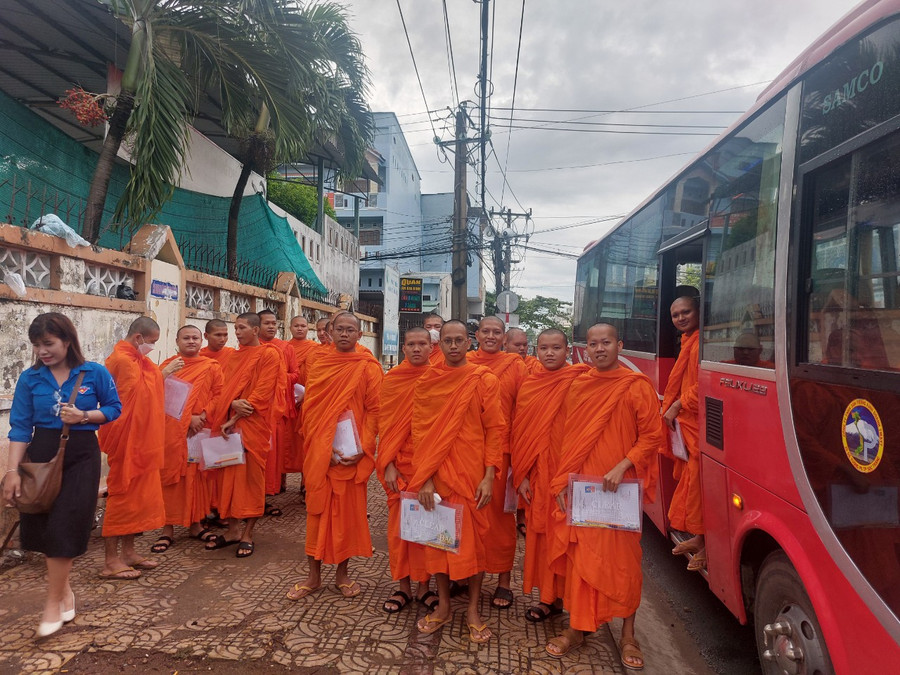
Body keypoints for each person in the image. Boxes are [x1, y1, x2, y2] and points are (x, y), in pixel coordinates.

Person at [546, 323, 661, 669]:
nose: (599, 349)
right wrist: (563, 481)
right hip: (585, 489)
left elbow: (652, 435)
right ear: (586, 348)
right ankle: (577, 628)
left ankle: (628, 634)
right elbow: (570, 439)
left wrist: (624, 464)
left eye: (606, 342)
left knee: (624, 564)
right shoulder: (579, 386)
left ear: (619, 345)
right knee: (581, 560)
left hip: (619, 490)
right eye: (593, 344)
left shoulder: (636, 386)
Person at [2, 313, 121, 637]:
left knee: (66, 523)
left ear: (67, 341)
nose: (43, 351)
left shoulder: (93, 372)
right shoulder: (30, 378)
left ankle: (53, 603)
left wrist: (85, 415)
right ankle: (65, 590)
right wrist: (12, 471)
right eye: (37, 345)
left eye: (49, 343)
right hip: (41, 452)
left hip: (81, 452)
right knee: (42, 528)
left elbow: (113, 408)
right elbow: (21, 427)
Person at [407, 320, 503, 643]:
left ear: (469, 342)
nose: (452, 346)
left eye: (459, 340)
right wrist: (426, 479)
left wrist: (490, 476)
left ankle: (473, 609)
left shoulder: (483, 380)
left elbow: (495, 430)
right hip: (439, 478)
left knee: (474, 547)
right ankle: (444, 605)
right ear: (440, 344)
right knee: (439, 543)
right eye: (447, 340)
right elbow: (420, 433)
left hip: (473, 477)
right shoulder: (427, 382)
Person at [287, 312, 382, 600]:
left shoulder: (368, 367)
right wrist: (321, 446)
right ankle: (313, 576)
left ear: (359, 335)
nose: (344, 334)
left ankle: (343, 575)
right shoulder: (320, 362)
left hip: (352, 453)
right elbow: (312, 408)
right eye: (339, 329)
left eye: (350, 330)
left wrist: (363, 449)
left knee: (347, 519)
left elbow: (375, 411)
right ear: (330, 331)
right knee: (316, 514)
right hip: (322, 452)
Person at [512, 329, 588, 623]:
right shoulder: (531, 384)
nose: (550, 353)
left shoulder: (580, 381)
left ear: (567, 350)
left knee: (568, 539)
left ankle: (571, 601)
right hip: (539, 473)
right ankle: (547, 599)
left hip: (569, 474)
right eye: (544, 348)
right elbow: (521, 434)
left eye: (556, 348)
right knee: (542, 537)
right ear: (536, 349)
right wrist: (522, 476)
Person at [204, 313, 282, 558]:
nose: (236, 332)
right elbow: (224, 390)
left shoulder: (269, 354)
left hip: (252, 427)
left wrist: (234, 416)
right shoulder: (233, 357)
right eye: (235, 328)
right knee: (228, 478)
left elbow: (260, 394)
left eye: (241, 328)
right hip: (228, 424)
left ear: (256, 330)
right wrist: (230, 410)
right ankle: (232, 530)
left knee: (250, 481)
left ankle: (248, 533)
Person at [99, 316, 168, 580]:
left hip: (143, 443)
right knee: (120, 499)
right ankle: (110, 561)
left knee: (137, 501)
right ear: (138, 338)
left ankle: (128, 552)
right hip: (126, 442)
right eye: (151, 342)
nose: (152, 347)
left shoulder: (143, 363)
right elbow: (123, 402)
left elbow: (150, 392)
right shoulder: (121, 361)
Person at [466, 316, 527, 608]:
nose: (491, 336)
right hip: (466, 452)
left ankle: (503, 581)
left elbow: (524, 411)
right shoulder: (464, 362)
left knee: (502, 519)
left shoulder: (515, 366)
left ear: (504, 338)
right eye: (486, 331)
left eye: (497, 332)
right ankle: (464, 574)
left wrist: (520, 458)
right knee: (468, 515)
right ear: (476, 335)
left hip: (503, 453)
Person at [151, 325, 224, 553]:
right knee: (171, 479)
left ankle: (195, 524)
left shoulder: (211, 367)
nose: (191, 341)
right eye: (186, 338)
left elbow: (219, 394)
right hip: (173, 433)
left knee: (197, 478)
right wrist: (186, 420)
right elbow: (159, 397)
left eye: (195, 338)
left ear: (201, 341)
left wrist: (202, 415)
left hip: (200, 429)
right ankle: (167, 529)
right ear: (177, 340)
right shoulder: (168, 367)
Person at [376, 327, 433, 613]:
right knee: (399, 530)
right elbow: (384, 426)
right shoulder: (393, 379)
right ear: (403, 348)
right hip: (399, 463)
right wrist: (387, 464)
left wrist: (433, 472)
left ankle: (424, 587)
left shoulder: (440, 378)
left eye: (422, 344)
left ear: (431, 348)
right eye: (411, 344)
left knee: (426, 527)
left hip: (429, 464)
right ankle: (403, 587)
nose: (417, 349)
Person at [662, 295, 705, 570]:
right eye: (675, 314)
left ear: (698, 311)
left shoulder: (702, 342)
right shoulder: (688, 340)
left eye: (686, 312)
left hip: (698, 420)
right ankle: (701, 538)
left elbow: (705, 382)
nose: (680, 318)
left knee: (699, 481)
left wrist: (678, 404)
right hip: (688, 422)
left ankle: (706, 541)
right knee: (693, 481)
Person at [258, 309, 297, 503]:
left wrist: (277, 377)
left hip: (277, 407)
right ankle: (255, 497)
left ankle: (268, 494)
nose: (272, 326)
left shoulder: (285, 347)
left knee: (273, 454)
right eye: (267, 323)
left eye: (274, 323)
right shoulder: (251, 347)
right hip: (256, 409)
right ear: (257, 326)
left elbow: (295, 374)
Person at [286, 316, 316, 478]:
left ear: (308, 328)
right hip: (289, 400)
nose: (300, 329)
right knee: (286, 441)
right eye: (296, 325)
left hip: (309, 400)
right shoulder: (285, 348)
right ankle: (279, 481)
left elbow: (318, 375)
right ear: (290, 328)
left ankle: (305, 482)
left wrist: (307, 394)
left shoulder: (314, 348)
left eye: (303, 326)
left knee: (306, 440)